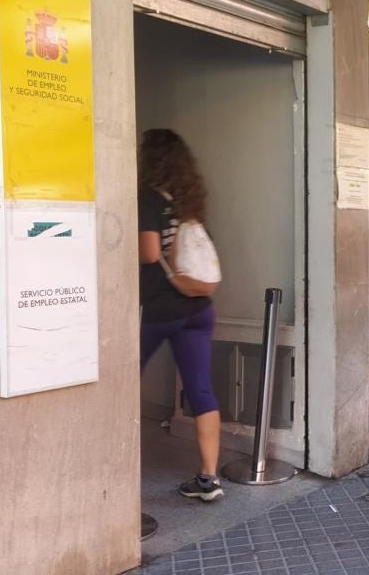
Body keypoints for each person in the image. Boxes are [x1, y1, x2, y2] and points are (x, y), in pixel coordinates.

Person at [137, 129, 224, 502]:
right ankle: (208, 479)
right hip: (198, 308)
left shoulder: (149, 199)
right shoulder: (189, 204)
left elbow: (148, 252)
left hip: (161, 308)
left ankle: (111, 469)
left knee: (123, 383)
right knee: (201, 389)